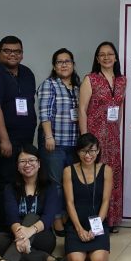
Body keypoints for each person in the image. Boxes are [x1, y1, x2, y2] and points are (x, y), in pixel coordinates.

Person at [0, 36, 37, 233]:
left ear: (22, 53)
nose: (12, 54)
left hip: (24, 140)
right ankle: (1, 229)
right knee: (1, 184)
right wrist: (4, 140)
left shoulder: (27, 73)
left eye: (17, 51)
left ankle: (17, 225)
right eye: (7, 51)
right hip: (1, 142)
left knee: (19, 181)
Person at [0, 145, 62, 261]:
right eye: (22, 161)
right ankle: (43, 258)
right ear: (17, 166)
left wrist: (28, 232)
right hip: (16, 235)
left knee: (32, 216)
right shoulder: (10, 188)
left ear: (39, 163)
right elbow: (11, 216)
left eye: (31, 160)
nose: (27, 165)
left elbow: (48, 217)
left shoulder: (49, 186)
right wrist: (21, 236)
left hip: (42, 237)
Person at [79, 42, 125, 232]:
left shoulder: (122, 80)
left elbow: (119, 107)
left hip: (113, 138)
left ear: (115, 57)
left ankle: (112, 220)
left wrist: (118, 130)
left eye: (110, 54)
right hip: (94, 137)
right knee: (94, 177)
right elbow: (82, 109)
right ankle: (96, 221)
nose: (106, 58)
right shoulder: (90, 79)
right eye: (102, 55)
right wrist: (85, 140)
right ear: (97, 59)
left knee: (112, 177)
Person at [37, 48, 80, 236]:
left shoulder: (77, 87)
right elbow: (44, 113)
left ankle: (66, 216)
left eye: (67, 61)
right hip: (54, 142)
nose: (64, 65)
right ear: (54, 66)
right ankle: (56, 220)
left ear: (73, 64)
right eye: (59, 62)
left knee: (70, 183)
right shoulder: (49, 84)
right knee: (55, 183)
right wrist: (48, 136)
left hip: (74, 143)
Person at [63, 133, 113, 261]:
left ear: (98, 151)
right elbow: (69, 203)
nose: (88, 155)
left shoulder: (106, 170)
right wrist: (79, 229)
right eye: (84, 151)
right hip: (76, 224)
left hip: (98, 223)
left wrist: (95, 228)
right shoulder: (68, 171)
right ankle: (81, 247)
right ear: (78, 151)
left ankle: (93, 249)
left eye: (92, 150)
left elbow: (105, 201)